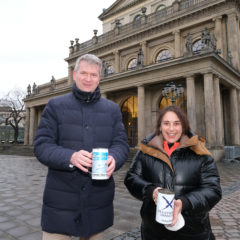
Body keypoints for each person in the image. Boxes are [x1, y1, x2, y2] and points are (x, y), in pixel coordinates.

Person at [34, 54, 129, 240]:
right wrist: (70, 157)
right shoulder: (55, 105)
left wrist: (114, 158)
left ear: (99, 78)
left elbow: (121, 144)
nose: (88, 78)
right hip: (60, 201)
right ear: (74, 74)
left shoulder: (111, 109)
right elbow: (42, 145)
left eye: (93, 75)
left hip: (97, 200)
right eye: (83, 73)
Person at [124, 105, 222, 240]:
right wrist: (150, 190)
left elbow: (213, 190)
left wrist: (185, 202)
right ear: (159, 127)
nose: (171, 129)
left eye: (176, 124)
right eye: (166, 123)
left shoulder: (200, 153)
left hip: (192, 231)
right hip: (153, 231)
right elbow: (131, 178)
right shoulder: (145, 151)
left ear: (184, 126)